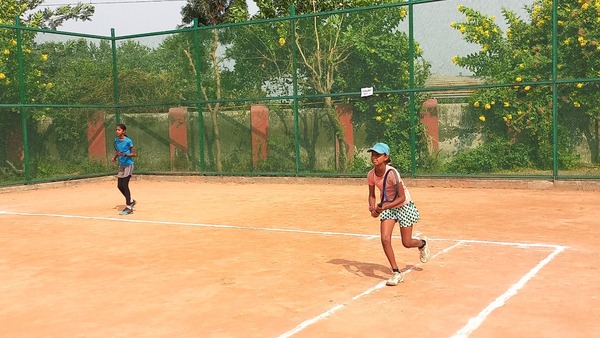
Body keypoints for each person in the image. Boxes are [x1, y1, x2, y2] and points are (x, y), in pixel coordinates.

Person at [367, 142, 430, 286]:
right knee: (385, 238)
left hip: (403, 205)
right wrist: (372, 208)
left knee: (406, 243)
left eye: (378, 154)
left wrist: (384, 207)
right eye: (373, 154)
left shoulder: (392, 173)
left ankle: (422, 243)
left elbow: (401, 197)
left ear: (386, 157)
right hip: (387, 207)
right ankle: (396, 272)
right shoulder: (371, 175)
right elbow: (371, 195)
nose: (374, 157)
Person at [112, 123, 136, 215]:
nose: (117, 131)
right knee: (119, 186)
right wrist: (115, 157)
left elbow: (134, 154)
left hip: (129, 165)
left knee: (125, 185)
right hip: (122, 165)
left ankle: (129, 207)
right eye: (116, 130)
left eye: (119, 130)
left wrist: (125, 155)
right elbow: (118, 152)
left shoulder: (128, 141)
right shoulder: (116, 140)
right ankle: (131, 200)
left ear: (124, 131)